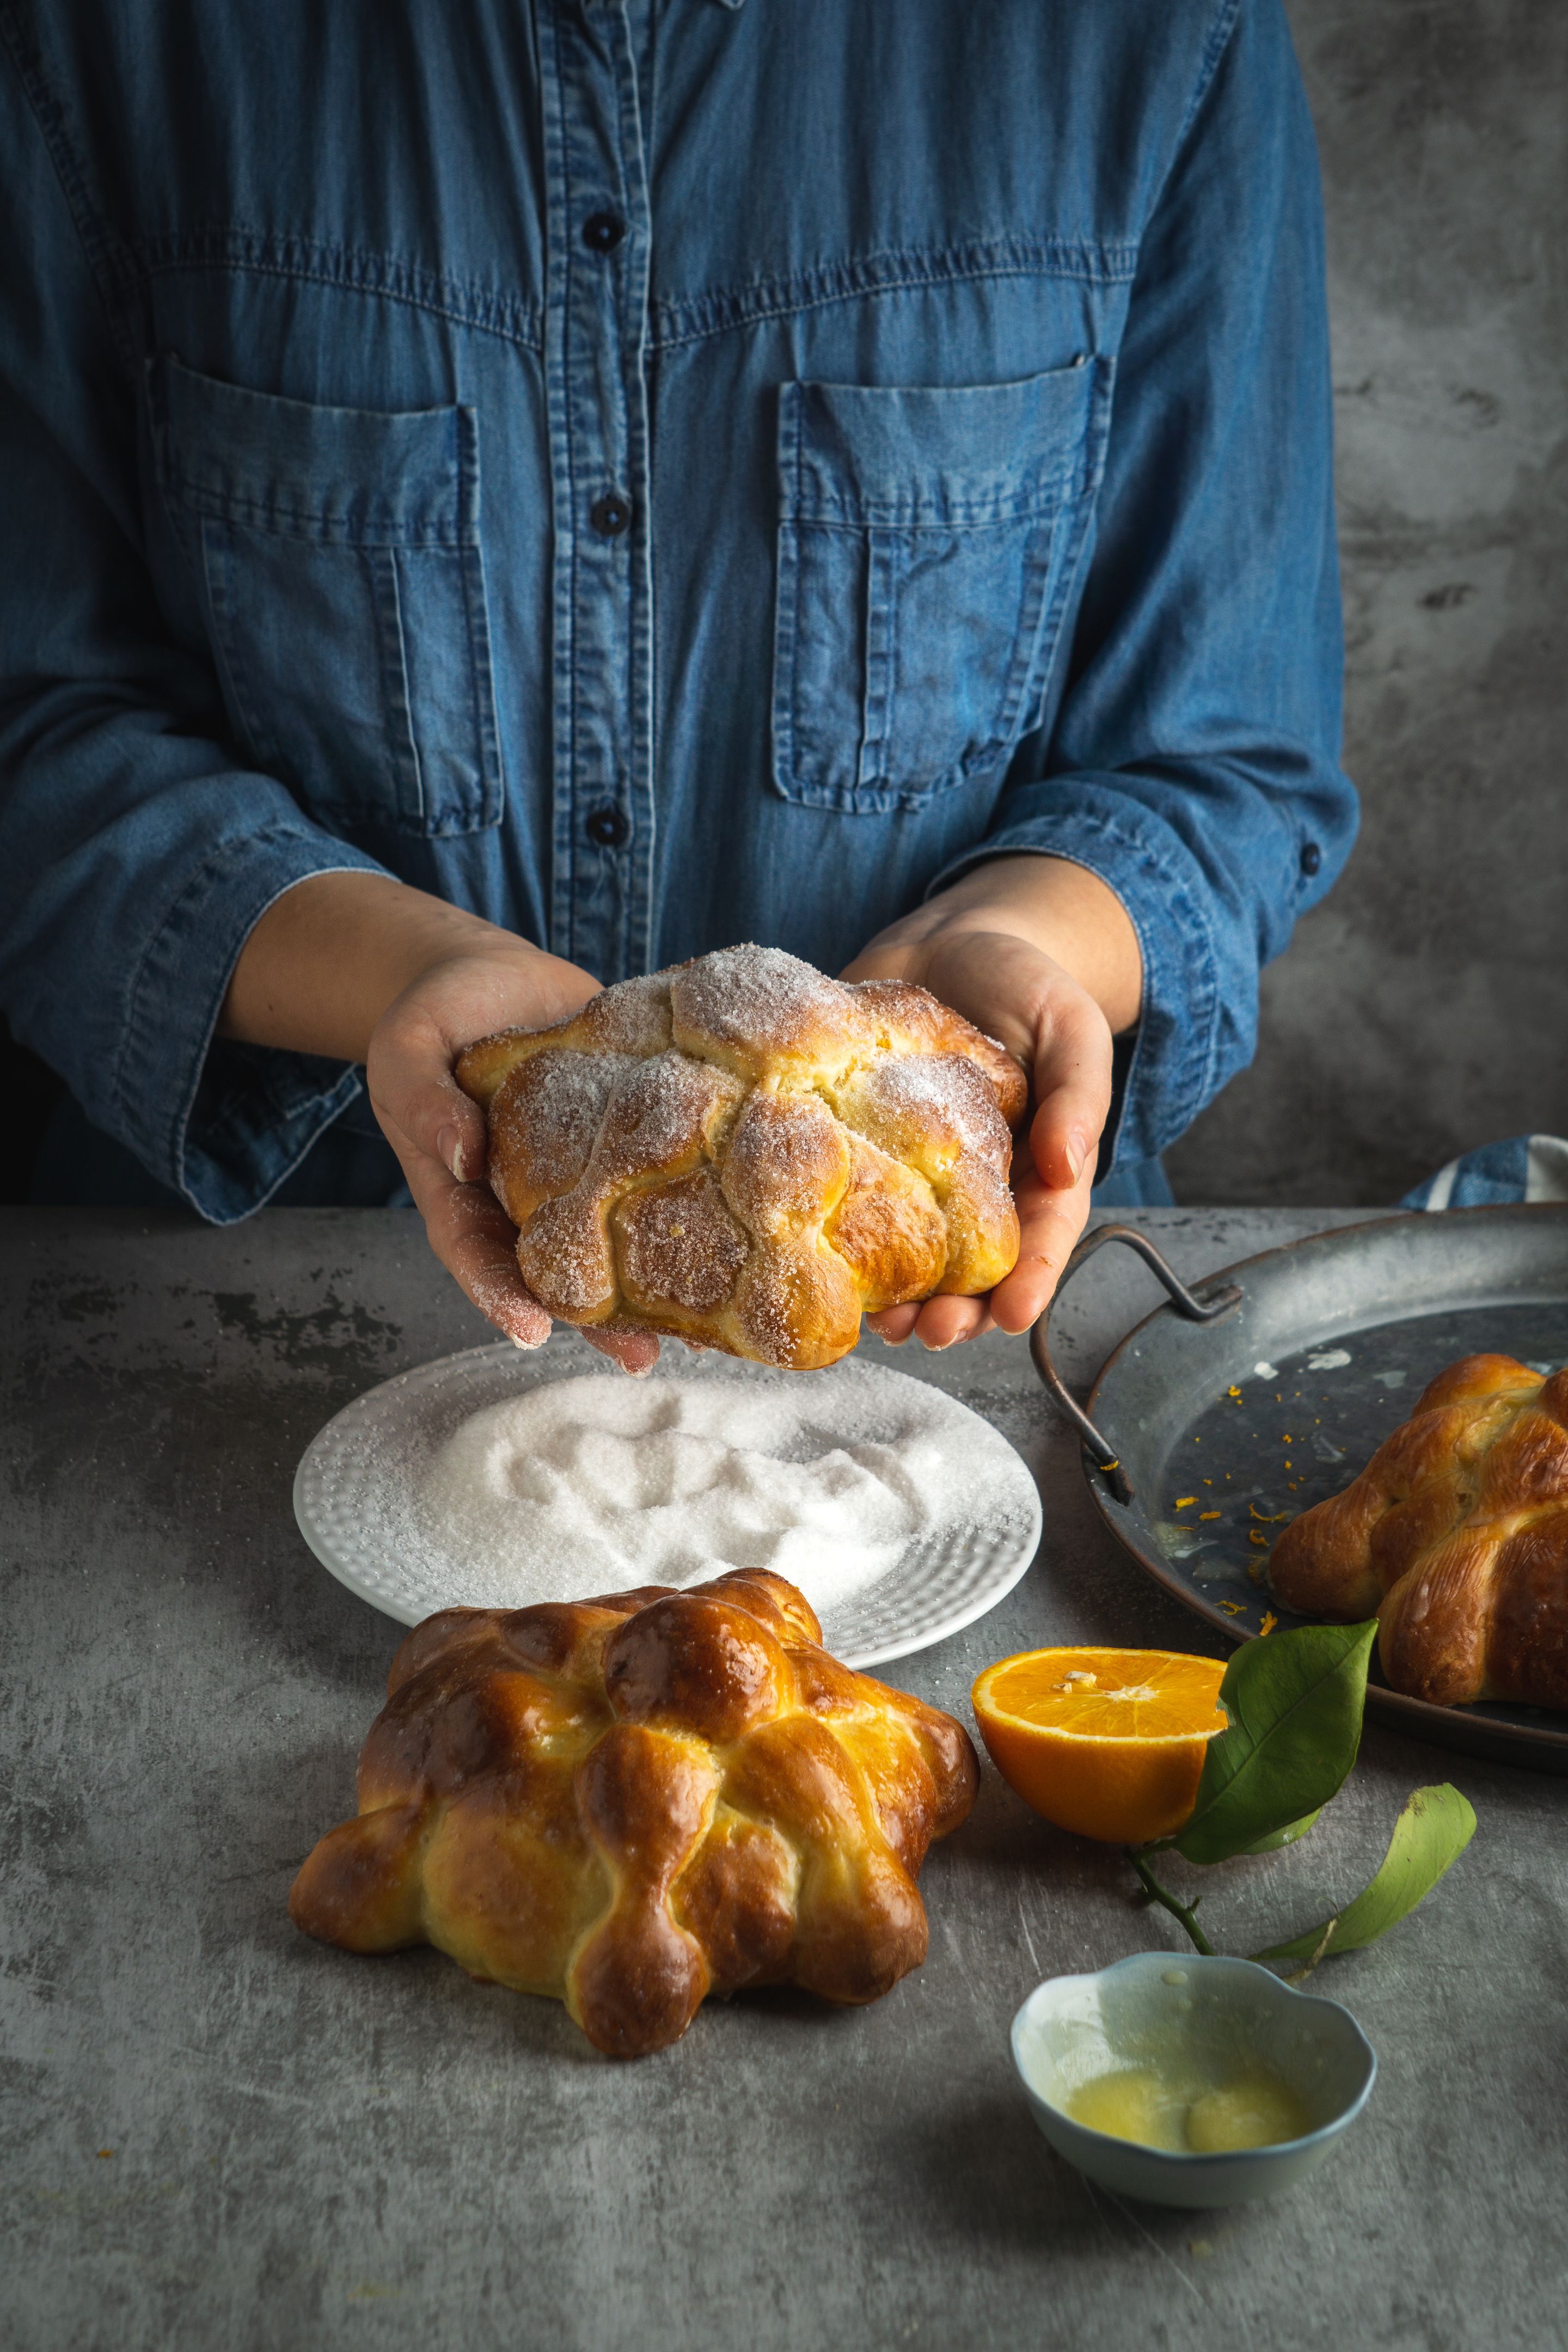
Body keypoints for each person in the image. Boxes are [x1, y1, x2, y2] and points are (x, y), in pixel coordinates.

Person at [0, 0, 1355, 1365]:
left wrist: (1024, 939)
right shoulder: (102, 45)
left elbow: (1225, 760)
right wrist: (407, 971)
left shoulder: (1156, 38)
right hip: (255, 1326)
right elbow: (36, 726)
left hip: (971, 1365)